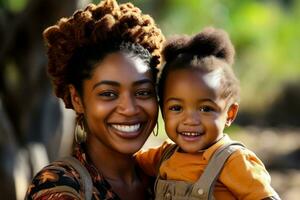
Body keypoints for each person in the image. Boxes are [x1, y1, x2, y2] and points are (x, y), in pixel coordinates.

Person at [25, 0, 165, 199]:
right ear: (77, 99)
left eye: (143, 92)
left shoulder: (165, 177)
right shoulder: (59, 186)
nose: (130, 108)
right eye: (108, 94)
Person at [135, 27, 280, 199]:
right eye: (176, 108)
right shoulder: (164, 155)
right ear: (163, 111)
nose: (189, 120)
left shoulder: (233, 161)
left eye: (206, 109)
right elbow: (124, 165)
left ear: (230, 114)